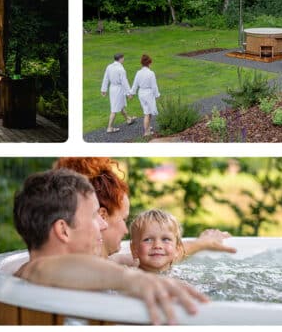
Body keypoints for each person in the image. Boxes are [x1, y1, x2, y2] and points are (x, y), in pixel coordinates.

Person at [12, 168, 208, 325]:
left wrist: (201, 244)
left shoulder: (93, 272)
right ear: (63, 230)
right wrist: (132, 278)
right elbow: (47, 268)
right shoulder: (35, 270)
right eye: (94, 215)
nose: (103, 224)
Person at [52, 157, 236, 267]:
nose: (125, 230)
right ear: (101, 217)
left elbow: (164, 255)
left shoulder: (114, 262)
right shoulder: (83, 270)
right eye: (123, 219)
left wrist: (202, 243)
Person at [100, 53, 135, 133]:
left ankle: (128, 119)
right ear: (120, 59)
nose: (124, 60)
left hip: (112, 88)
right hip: (118, 90)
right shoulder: (121, 69)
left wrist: (104, 89)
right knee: (114, 109)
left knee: (121, 105)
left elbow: (106, 78)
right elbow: (124, 82)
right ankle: (109, 127)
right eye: (123, 58)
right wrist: (129, 93)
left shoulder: (109, 67)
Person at [128, 54, 160, 136]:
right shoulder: (151, 73)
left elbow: (135, 85)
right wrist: (157, 95)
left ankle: (148, 128)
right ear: (149, 63)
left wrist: (131, 93)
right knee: (147, 113)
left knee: (147, 111)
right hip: (148, 94)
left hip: (141, 93)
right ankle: (146, 132)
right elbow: (154, 86)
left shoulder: (138, 73)